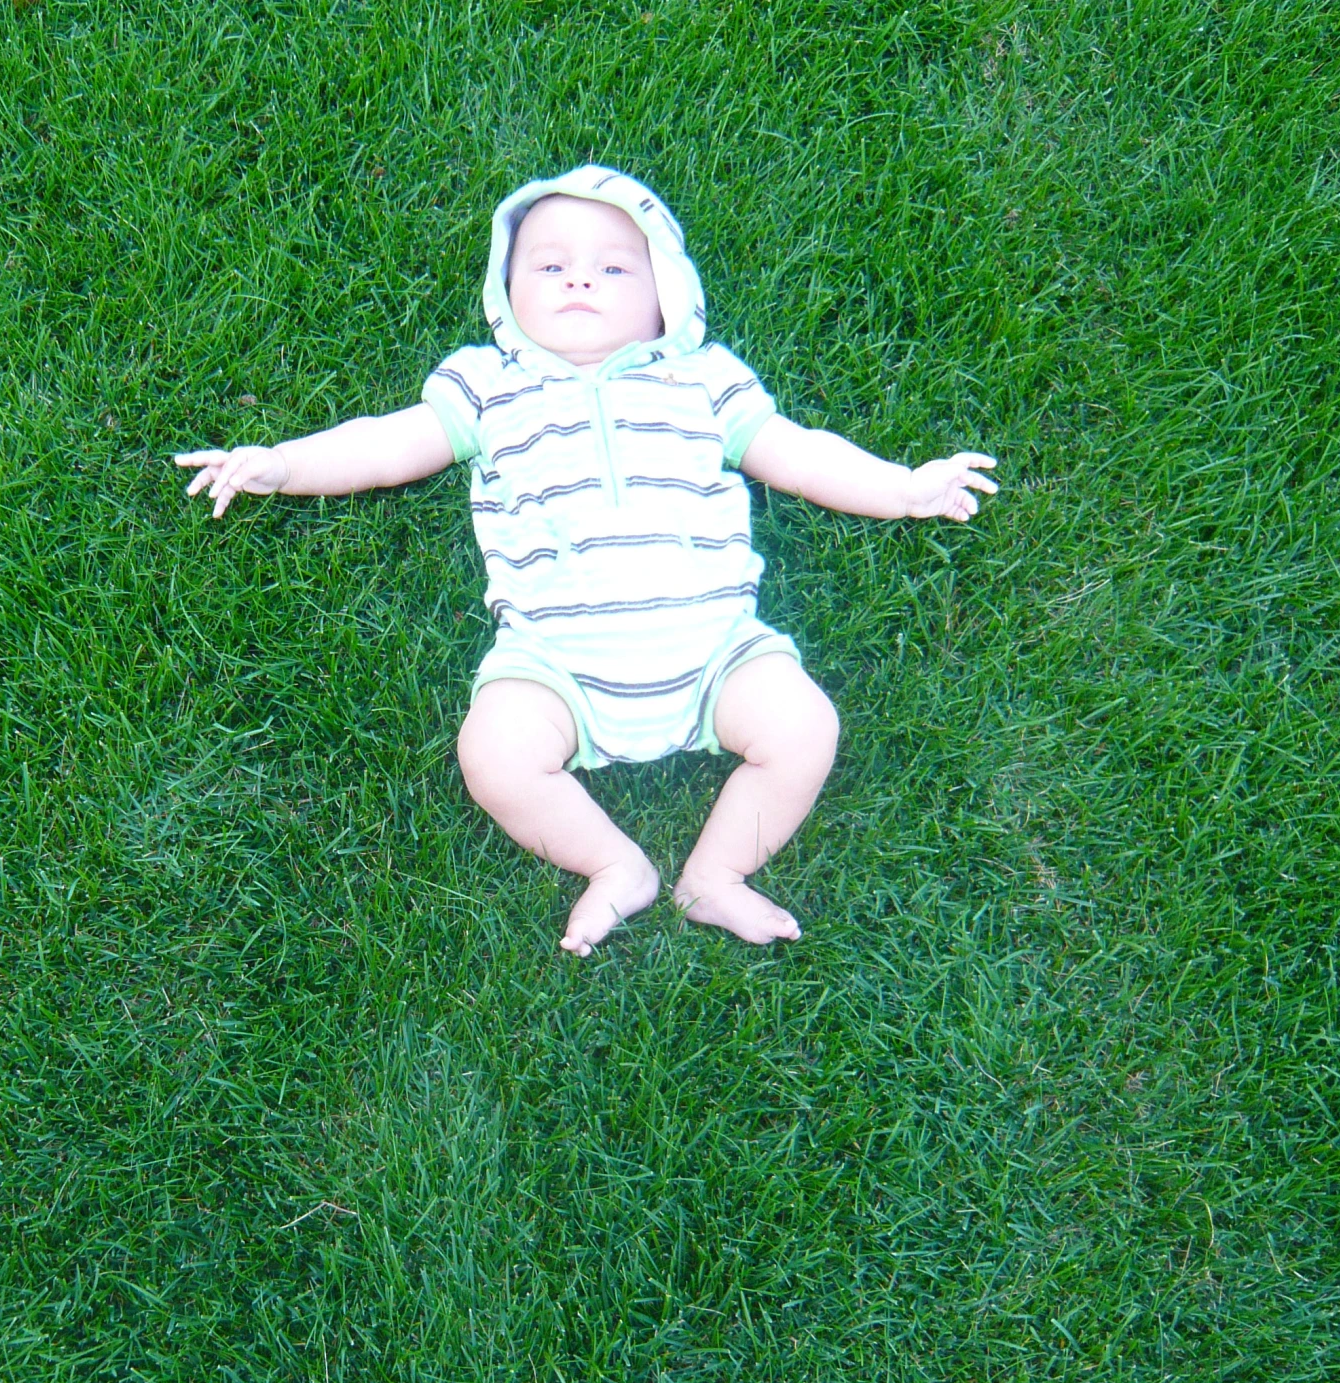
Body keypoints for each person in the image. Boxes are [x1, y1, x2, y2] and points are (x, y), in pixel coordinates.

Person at [176, 166, 996, 955]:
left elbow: (801, 454)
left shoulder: (703, 382)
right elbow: (388, 445)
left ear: (665, 295)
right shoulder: (487, 388)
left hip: (716, 650)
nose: (580, 282)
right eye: (551, 265)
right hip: (555, 661)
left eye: (613, 266)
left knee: (805, 724)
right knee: (493, 753)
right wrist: (282, 464)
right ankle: (614, 862)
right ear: (507, 293)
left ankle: (716, 871)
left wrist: (902, 488)